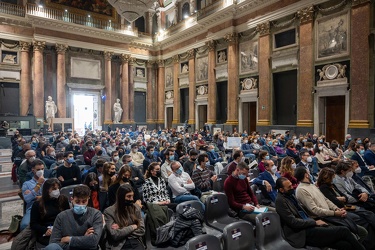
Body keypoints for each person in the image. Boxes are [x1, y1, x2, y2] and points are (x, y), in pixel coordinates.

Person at [275, 177, 365, 250]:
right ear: (281, 190)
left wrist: (315, 221)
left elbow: (303, 213)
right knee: (343, 230)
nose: (292, 188)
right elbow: (293, 222)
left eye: (291, 186)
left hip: (309, 225)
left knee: (345, 245)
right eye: (289, 187)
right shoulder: (280, 201)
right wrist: (314, 222)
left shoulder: (290, 195)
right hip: (301, 233)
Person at [294, 166, 368, 241]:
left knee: (362, 231)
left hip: (331, 214)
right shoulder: (301, 190)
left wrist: (336, 208)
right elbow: (314, 210)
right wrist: (334, 213)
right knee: (353, 234)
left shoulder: (312, 185)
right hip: (324, 218)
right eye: (308, 172)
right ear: (306, 175)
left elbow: (326, 199)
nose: (309, 174)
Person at [318, 167, 375, 249]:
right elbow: (335, 202)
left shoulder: (332, 185)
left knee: (368, 213)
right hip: (341, 208)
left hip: (346, 205)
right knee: (364, 220)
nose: (334, 178)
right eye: (333, 177)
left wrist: (342, 198)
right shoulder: (324, 187)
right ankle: (369, 245)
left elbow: (345, 196)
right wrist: (341, 199)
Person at [44, 185, 103, 250]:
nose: (81, 205)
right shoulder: (61, 216)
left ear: (88, 200)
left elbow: (94, 241)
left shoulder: (96, 214)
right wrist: (83, 241)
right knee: (51, 247)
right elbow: (54, 242)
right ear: (72, 199)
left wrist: (69, 239)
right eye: (77, 201)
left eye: (84, 201)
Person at [104, 184, 145, 249]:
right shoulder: (109, 211)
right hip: (119, 245)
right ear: (121, 197)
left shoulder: (136, 208)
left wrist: (121, 228)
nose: (132, 199)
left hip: (135, 241)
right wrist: (133, 226)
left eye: (132, 196)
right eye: (128, 196)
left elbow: (141, 230)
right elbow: (115, 235)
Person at [30, 178, 70, 246]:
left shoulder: (63, 199)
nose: (57, 191)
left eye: (58, 188)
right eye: (54, 189)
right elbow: (33, 224)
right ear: (47, 190)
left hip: (62, 229)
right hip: (47, 231)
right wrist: (45, 230)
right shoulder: (38, 204)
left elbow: (68, 216)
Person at [21, 159, 46, 231]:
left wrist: (40, 197)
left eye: (42, 169)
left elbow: (54, 196)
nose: (41, 171)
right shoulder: (27, 184)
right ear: (33, 170)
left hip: (47, 205)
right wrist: (38, 184)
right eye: (38, 169)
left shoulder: (48, 181)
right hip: (32, 208)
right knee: (24, 225)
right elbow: (27, 199)